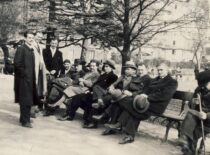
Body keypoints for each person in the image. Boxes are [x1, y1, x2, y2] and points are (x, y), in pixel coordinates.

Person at [105, 63, 178, 144]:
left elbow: (165, 96)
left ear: (167, 71)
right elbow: (146, 90)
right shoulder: (155, 79)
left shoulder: (172, 82)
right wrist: (141, 95)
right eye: (158, 70)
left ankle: (120, 124)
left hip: (157, 106)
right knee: (133, 108)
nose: (159, 72)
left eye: (161, 70)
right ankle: (128, 135)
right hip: (144, 102)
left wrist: (147, 97)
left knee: (128, 104)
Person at [59, 60, 118, 128]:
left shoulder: (114, 76)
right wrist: (89, 90)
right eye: (105, 66)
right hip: (94, 93)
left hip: (102, 95)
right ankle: (69, 115)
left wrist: (96, 91)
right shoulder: (102, 75)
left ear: (111, 68)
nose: (105, 68)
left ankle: (91, 122)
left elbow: (108, 87)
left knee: (93, 102)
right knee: (77, 97)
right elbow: (95, 84)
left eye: (107, 67)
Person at [178, 70, 210, 155]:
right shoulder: (199, 89)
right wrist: (193, 102)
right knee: (191, 124)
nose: (203, 88)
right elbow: (192, 106)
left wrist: (207, 115)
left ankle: (185, 140)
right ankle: (187, 148)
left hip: (208, 121)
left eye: (205, 85)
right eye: (202, 85)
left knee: (193, 132)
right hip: (198, 117)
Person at [14, 30, 40, 128]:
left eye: (32, 38)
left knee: (29, 99)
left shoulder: (31, 49)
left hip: (30, 79)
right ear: (25, 38)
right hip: (24, 80)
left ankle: (24, 118)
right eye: (29, 37)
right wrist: (25, 75)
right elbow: (17, 64)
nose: (31, 39)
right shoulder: (21, 48)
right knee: (25, 100)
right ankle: (25, 121)